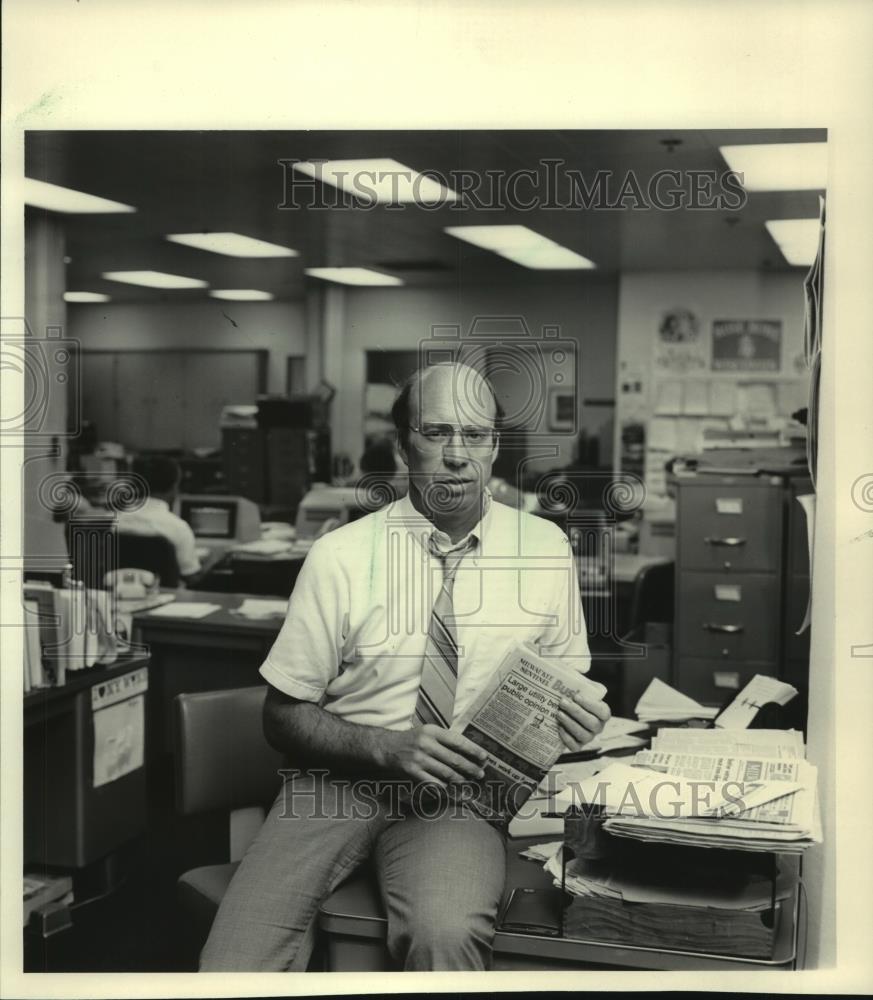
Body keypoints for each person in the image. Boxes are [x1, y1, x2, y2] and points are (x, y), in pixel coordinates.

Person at [199, 362, 610, 972]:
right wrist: (387, 749)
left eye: (474, 434)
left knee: (447, 934)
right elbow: (280, 718)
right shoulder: (340, 556)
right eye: (436, 432)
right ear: (401, 446)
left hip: (458, 798)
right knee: (235, 958)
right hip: (334, 783)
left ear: (495, 446)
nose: (456, 454)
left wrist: (576, 720)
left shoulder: (545, 549)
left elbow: (565, 685)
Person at [115, 455, 201, 579]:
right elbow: (190, 576)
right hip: (169, 595)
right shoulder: (179, 528)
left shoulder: (118, 520)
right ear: (174, 487)